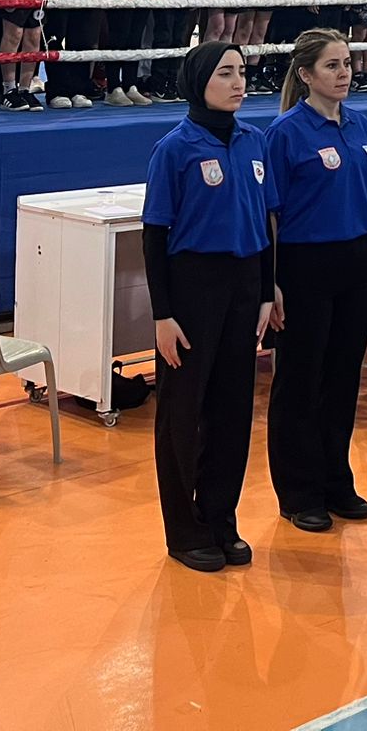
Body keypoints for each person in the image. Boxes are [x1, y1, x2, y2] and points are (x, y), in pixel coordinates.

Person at [144, 41, 278, 572]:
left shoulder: (254, 141)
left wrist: (265, 292)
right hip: (192, 287)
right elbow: (154, 235)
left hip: (244, 284)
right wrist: (162, 314)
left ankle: (221, 516)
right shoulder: (174, 149)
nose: (238, 82)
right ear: (199, 81)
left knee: (232, 409)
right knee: (183, 411)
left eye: (241, 71)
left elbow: (265, 224)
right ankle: (184, 530)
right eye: (225, 73)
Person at [265, 30, 367, 529]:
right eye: (332, 65)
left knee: (342, 377)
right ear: (306, 74)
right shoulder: (285, 133)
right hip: (305, 265)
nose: (344, 73)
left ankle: (336, 479)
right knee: (300, 379)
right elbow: (270, 215)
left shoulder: (359, 125)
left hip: (356, 261)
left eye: (347, 63)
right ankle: (298, 491)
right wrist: (271, 282)